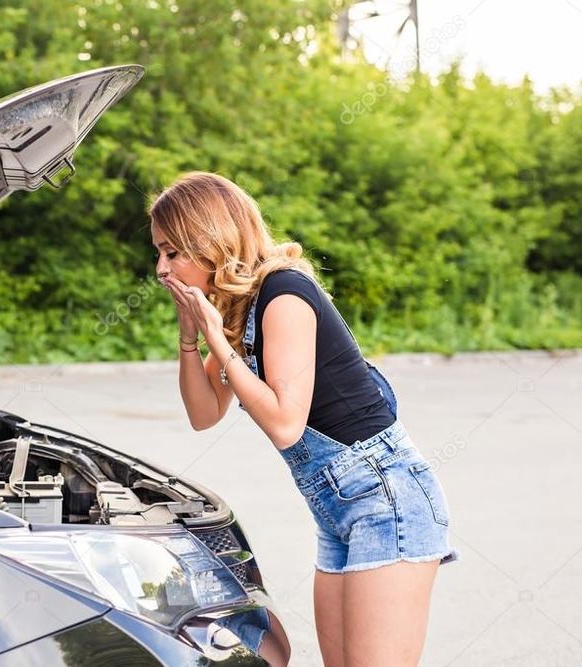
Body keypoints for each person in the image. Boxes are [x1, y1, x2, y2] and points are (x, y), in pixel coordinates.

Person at [148, 171, 460, 666]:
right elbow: (204, 414)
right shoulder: (239, 309)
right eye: (159, 254)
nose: (162, 269)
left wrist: (214, 335)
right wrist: (191, 337)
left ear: (210, 241)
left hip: (385, 498)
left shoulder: (284, 294)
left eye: (172, 252)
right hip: (336, 511)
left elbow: (285, 424)